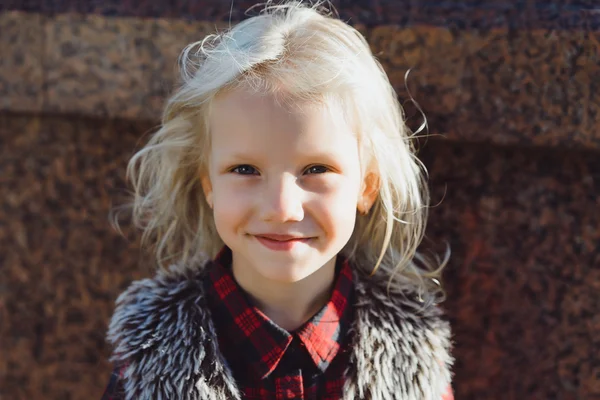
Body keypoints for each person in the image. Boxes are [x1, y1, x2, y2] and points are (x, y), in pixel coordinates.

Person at [101, 1, 454, 399]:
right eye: (246, 170)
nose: (282, 208)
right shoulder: (149, 354)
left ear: (366, 187)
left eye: (316, 169)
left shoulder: (414, 357)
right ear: (208, 185)